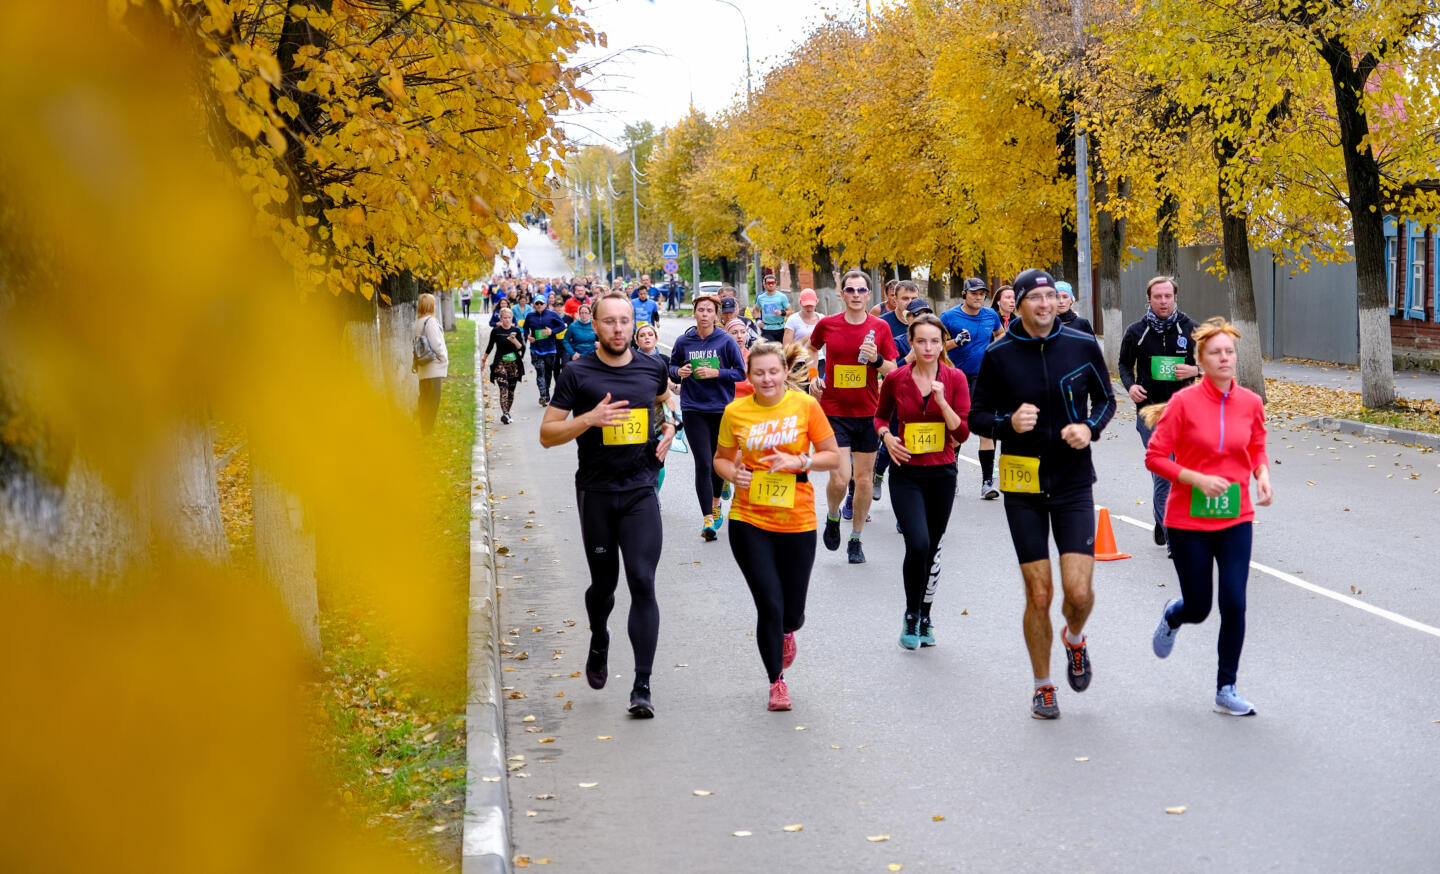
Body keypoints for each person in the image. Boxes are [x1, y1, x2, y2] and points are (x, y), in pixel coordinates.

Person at [968, 268, 1115, 720]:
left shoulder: (1082, 344)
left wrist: (1089, 429)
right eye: (1036, 297)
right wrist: (1007, 424)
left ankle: (1075, 638)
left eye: (1051, 296)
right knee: (1039, 594)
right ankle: (1043, 685)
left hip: (1072, 482)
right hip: (1023, 486)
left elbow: (1107, 401)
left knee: (1079, 592)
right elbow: (976, 416)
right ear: (1019, 304)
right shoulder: (999, 354)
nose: (1046, 304)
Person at [539, 292, 676, 719]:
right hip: (597, 493)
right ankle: (599, 635)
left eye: (625, 321)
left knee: (642, 581)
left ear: (634, 323)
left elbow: (662, 402)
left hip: (640, 490)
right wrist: (588, 420)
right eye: (609, 321)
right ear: (595, 325)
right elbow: (547, 434)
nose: (618, 329)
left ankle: (642, 685)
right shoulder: (578, 373)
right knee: (604, 586)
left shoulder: (653, 367)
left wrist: (671, 427)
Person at [1144, 318, 1271, 716]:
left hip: (1236, 516)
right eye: (1215, 352)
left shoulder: (1250, 402)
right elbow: (1155, 457)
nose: (1224, 358)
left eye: (1229, 351)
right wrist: (1195, 479)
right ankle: (1175, 613)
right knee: (1199, 607)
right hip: (1187, 520)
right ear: (1200, 360)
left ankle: (1226, 688)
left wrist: (1262, 475)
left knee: (1234, 602)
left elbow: (1256, 445)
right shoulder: (1183, 403)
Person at [713, 341, 840, 711]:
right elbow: (721, 459)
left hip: (797, 519)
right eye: (759, 373)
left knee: (792, 611)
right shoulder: (735, 411)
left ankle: (788, 630)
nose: (767, 379)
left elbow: (832, 456)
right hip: (749, 518)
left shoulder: (806, 406)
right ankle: (776, 683)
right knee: (769, 603)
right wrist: (733, 474)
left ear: (785, 372)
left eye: (773, 371)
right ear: (749, 377)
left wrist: (800, 461)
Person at [875, 313, 970, 649]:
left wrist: (942, 401)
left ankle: (926, 616)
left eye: (934, 341)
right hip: (906, 473)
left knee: (932, 549)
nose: (928, 347)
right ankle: (911, 614)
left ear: (942, 343)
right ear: (911, 344)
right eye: (921, 341)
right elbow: (880, 416)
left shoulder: (955, 378)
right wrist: (887, 437)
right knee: (917, 543)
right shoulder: (896, 378)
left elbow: (962, 433)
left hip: (942, 474)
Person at [807, 269, 898, 564]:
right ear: (842, 294)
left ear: (869, 295)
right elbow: (811, 349)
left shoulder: (880, 328)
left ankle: (856, 539)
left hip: (869, 413)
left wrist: (876, 359)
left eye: (861, 290)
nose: (856, 295)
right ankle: (833, 516)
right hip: (834, 411)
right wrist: (814, 375)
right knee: (839, 478)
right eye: (850, 290)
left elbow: (893, 370)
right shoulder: (828, 324)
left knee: (863, 481)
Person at [1118, 276, 1200, 551]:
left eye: (1168, 296)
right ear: (1149, 299)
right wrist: (1131, 387)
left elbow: (1213, 365)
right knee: (1165, 471)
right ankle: (1174, 535)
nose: (1163, 301)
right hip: (1150, 413)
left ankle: (1162, 517)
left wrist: (1195, 370)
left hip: (1186, 413)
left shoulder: (1192, 329)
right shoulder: (1136, 331)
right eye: (1158, 297)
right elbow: (1124, 365)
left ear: (1175, 298)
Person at [667, 294, 746, 540]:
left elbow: (740, 373)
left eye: (709, 310)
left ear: (716, 315)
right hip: (693, 408)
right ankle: (708, 520)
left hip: (721, 408)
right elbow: (671, 367)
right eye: (701, 310)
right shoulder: (684, 341)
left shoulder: (725, 341)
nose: (704, 314)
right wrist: (679, 371)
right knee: (702, 462)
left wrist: (716, 373)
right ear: (694, 313)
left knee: (717, 461)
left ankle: (716, 501)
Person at [940, 278, 1004, 497]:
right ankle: (952, 476)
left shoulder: (991, 315)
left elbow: (1000, 334)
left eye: (982, 294)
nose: (978, 297)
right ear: (964, 293)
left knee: (986, 428)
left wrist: (994, 350)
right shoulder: (949, 317)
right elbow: (937, 345)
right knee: (957, 430)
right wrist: (955, 342)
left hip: (984, 378)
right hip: (956, 378)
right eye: (974, 293)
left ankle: (987, 483)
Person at [634, 322, 681, 492]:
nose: (646, 338)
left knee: (658, 460)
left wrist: (670, 385)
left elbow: (679, 391)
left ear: (656, 338)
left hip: (660, 417)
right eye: (642, 335)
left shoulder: (665, 361)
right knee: (637, 459)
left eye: (650, 334)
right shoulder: (631, 360)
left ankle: (654, 495)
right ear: (637, 341)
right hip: (637, 417)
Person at [412, 292, 450, 435]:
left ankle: (424, 428)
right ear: (430, 306)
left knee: (425, 399)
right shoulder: (430, 321)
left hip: (423, 366)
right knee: (433, 401)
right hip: (433, 365)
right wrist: (443, 358)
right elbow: (436, 344)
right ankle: (427, 431)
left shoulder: (418, 322)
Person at [482, 306, 526, 424]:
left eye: (509, 317)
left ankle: (507, 413)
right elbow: (490, 346)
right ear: (501, 318)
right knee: (503, 388)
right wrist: (483, 360)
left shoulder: (516, 331)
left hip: (514, 364)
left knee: (511, 391)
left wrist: (514, 340)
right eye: (505, 318)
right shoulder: (496, 331)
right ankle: (505, 414)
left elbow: (521, 348)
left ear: (512, 318)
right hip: (500, 362)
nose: (507, 320)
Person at [524, 295, 566, 405]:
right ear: (534, 305)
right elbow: (525, 327)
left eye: (541, 303)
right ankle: (542, 395)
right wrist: (528, 336)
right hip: (535, 349)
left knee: (548, 373)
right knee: (540, 372)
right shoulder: (530, 316)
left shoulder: (552, 314)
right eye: (537, 303)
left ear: (545, 304)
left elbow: (562, 326)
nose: (539, 305)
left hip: (550, 349)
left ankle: (546, 392)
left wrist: (552, 332)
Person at [754, 273, 791, 343]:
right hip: (766, 329)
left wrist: (781, 312)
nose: (771, 285)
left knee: (781, 349)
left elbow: (790, 312)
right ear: (764, 284)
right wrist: (758, 321)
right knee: (770, 348)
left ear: (775, 284)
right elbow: (756, 310)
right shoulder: (760, 298)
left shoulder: (782, 297)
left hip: (780, 328)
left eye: (773, 283)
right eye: (768, 283)